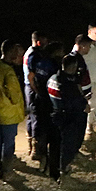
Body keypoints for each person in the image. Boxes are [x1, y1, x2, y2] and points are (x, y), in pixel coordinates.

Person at [47, 38, 92, 184]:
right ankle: (63, 170)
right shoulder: (68, 83)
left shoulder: (53, 78)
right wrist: (84, 106)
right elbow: (72, 100)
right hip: (68, 117)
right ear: (72, 68)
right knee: (68, 143)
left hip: (56, 114)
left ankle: (54, 170)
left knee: (56, 145)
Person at [0, 40, 25, 179]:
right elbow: (14, 95)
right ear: (12, 51)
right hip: (9, 112)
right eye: (18, 52)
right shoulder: (9, 72)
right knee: (9, 142)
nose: (20, 56)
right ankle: (7, 171)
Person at [33, 41, 64, 172]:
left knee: (41, 131)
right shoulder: (55, 65)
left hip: (39, 100)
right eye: (62, 51)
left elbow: (33, 79)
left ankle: (42, 159)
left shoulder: (39, 63)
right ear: (56, 52)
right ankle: (52, 165)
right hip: (50, 103)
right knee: (53, 134)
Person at [23, 31, 49, 159]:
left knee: (32, 117)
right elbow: (31, 75)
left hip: (30, 87)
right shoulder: (34, 54)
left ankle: (32, 146)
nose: (46, 44)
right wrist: (38, 91)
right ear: (38, 42)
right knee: (36, 118)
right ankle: (36, 150)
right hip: (33, 88)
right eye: (44, 41)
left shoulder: (29, 52)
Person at [78, 23, 96, 140]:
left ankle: (89, 129)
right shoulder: (81, 47)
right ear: (89, 32)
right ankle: (83, 133)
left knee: (94, 106)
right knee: (85, 107)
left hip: (95, 80)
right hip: (85, 83)